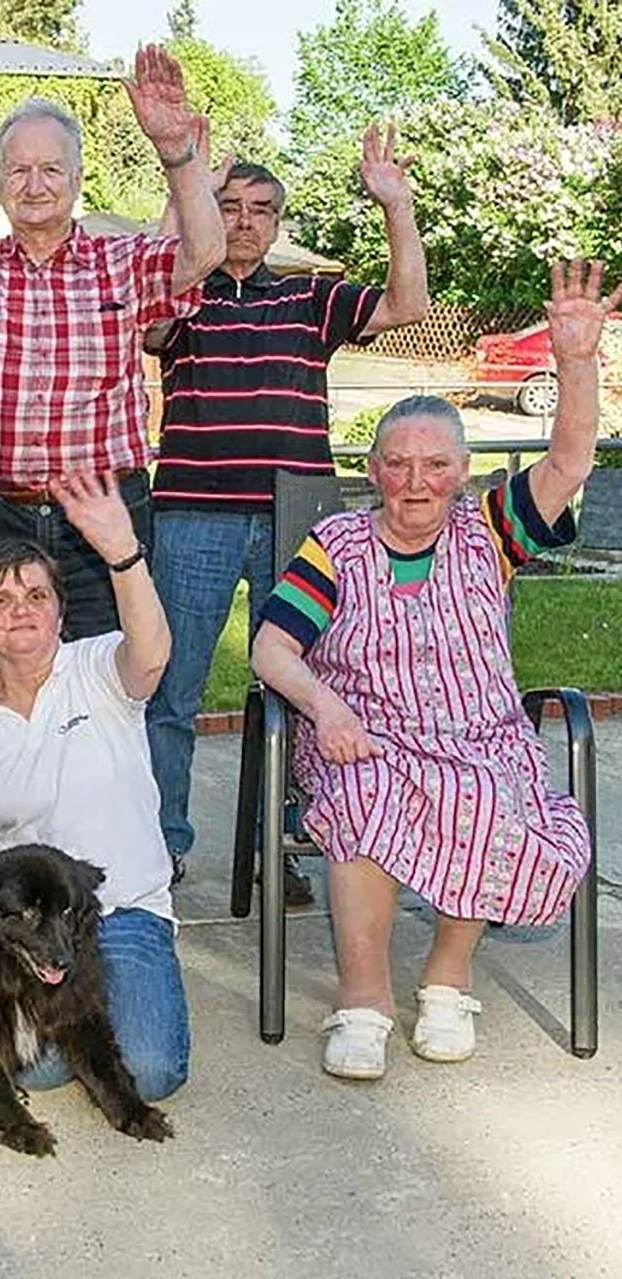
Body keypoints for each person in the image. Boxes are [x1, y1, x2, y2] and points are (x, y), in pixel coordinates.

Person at [250, 261, 608, 1082]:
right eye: (399, 465)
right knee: (366, 798)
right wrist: (325, 708)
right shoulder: (336, 546)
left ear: (464, 471)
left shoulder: (492, 531)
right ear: (373, 471)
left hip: (483, 737)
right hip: (363, 736)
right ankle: (365, 999)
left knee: (491, 796)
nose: (417, 482)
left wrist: (576, 359)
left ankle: (447, 982)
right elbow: (271, 646)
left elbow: (569, 461)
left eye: (437, 465)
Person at [0, 42, 224, 695]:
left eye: (50, 168)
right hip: (2, 513)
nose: (34, 184)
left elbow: (203, 252)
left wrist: (176, 151)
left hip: (105, 515)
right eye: (18, 170)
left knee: (112, 690)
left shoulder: (122, 262)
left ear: (76, 178)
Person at [145, 123, 430, 900]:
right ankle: (160, 850)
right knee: (170, 688)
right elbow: (145, 317)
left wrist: (395, 206)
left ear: (277, 222)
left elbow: (410, 303)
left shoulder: (313, 296)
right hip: (191, 515)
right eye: (227, 205)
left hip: (298, 514)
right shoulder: (184, 291)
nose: (242, 221)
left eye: (259, 209)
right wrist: (185, 183)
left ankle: (293, 840)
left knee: (306, 685)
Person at [0, 474, 188, 1103]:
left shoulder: (98, 668)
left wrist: (122, 551)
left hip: (125, 911)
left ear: (60, 613)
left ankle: (140, 984)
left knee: (151, 1073)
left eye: (36, 595)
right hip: (37, 929)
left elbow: (151, 656)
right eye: (0, 598)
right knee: (41, 1071)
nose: (20, 608)